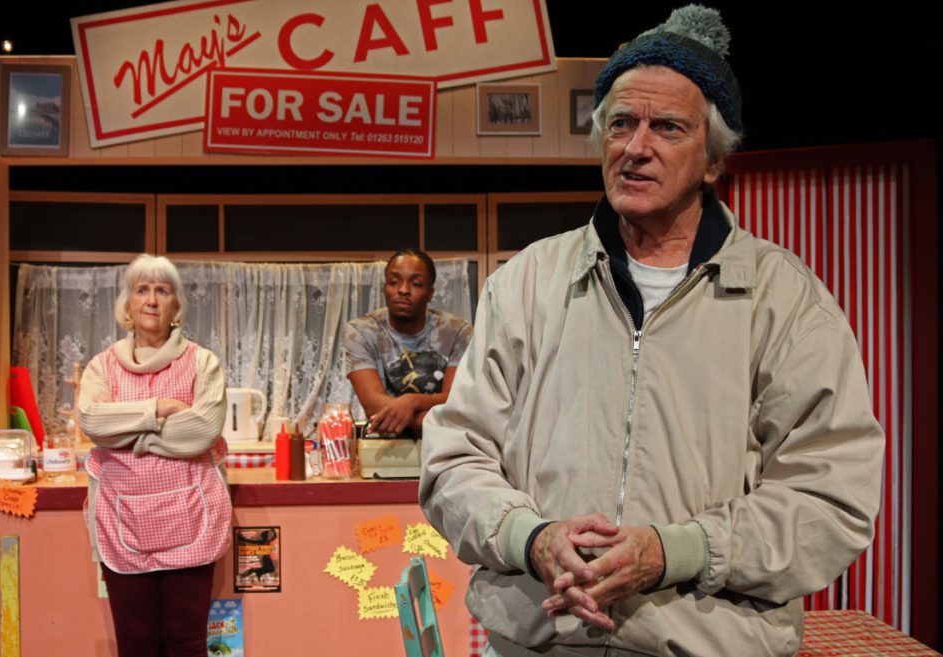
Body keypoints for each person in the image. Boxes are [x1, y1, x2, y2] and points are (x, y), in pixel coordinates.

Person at [419, 7, 884, 657]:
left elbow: (831, 498)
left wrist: (675, 550)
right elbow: (452, 461)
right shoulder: (526, 284)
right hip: (537, 643)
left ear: (713, 158)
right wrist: (533, 536)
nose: (636, 148)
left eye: (666, 127)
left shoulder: (784, 301)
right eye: (621, 125)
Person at [78, 254, 229, 657]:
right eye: (141, 290)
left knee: (187, 642)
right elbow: (92, 421)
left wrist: (129, 437)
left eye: (162, 291)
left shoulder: (203, 363)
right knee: (136, 643)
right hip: (121, 520)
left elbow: (201, 431)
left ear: (176, 305)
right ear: (126, 304)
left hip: (190, 517)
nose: (151, 300)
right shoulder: (101, 367)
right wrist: (158, 409)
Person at [342, 250, 472, 436]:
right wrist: (429, 419)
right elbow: (372, 405)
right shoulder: (361, 331)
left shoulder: (457, 332)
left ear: (430, 293)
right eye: (394, 282)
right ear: (384, 288)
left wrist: (412, 401)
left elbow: (456, 400)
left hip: (444, 443)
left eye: (416, 283)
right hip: (383, 446)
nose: (403, 290)